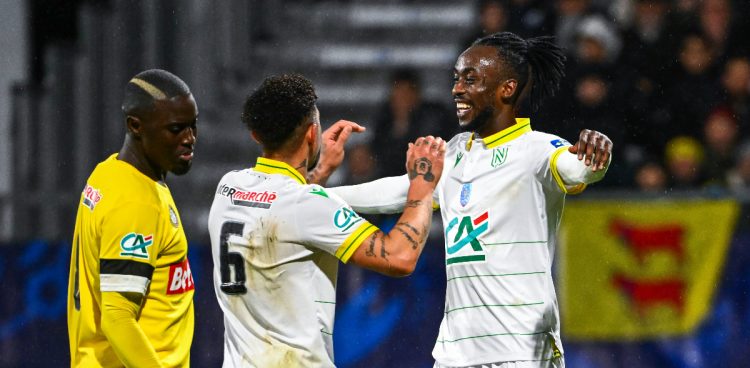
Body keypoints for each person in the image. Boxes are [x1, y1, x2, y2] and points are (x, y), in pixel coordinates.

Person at [328, 32, 613, 367]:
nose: (457, 89)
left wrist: (596, 157)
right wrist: (315, 195)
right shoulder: (455, 152)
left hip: (521, 351)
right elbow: (398, 190)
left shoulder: (537, 150)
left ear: (507, 89)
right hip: (457, 353)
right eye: (456, 78)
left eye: (471, 79)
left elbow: (578, 169)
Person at [206, 74, 446, 367]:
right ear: (311, 134)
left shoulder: (229, 187)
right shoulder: (308, 205)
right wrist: (422, 185)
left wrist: (316, 173)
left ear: (257, 135)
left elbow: (282, 206)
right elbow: (399, 256)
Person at [67, 69, 198, 367]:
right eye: (176, 129)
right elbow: (118, 318)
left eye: (193, 125)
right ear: (135, 126)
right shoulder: (136, 202)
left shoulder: (109, 173)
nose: (190, 139)